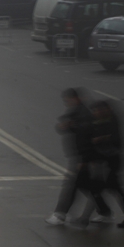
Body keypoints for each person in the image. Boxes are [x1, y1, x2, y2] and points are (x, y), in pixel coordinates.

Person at [46, 88, 111, 226]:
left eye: (67, 100)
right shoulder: (77, 112)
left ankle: (60, 214)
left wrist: (83, 160)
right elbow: (69, 128)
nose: (66, 103)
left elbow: (85, 139)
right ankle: (104, 212)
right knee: (88, 187)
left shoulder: (84, 114)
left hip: (84, 158)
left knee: (72, 185)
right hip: (83, 158)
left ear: (75, 98)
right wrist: (64, 127)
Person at [80, 101, 124, 228]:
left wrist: (98, 140)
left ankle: (88, 217)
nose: (96, 113)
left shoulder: (111, 122)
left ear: (106, 110)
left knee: (103, 187)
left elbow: (114, 141)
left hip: (110, 162)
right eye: (95, 111)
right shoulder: (104, 122)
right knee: (112, 188)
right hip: (107, 161)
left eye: (98, 111)